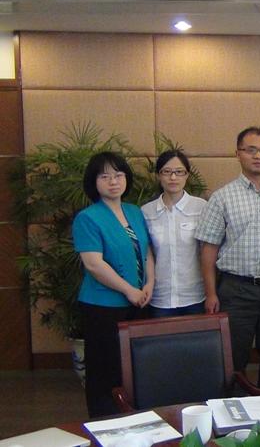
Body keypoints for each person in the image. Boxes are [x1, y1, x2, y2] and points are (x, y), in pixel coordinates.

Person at [194, 126, 260, 393]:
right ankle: (233, 415)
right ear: (238, 153)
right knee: (232, 361)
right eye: (251, 150)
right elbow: (208, 249)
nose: (258, 156)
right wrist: (211, 293)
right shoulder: (222, 197)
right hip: (235, 291)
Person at [72, 151, 154, 417]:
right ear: (93, 182)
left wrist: (150, 283)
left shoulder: (134, 212)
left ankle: (135, 422)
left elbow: (146, 250)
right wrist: (128, 290)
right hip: (103, 306)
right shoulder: (88, 217)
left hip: (139, 302)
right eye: (104, 177)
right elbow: (94, 264)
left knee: (136, 369)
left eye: (118, 175)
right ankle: (104, 423)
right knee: (105, 372)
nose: (113, 182)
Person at [141, 150, 207, 317]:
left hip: (195, 296)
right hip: (160, 297)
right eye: (167, 172)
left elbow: (208, 252)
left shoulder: (201, 208)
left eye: (179, 172)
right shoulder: (146, 212)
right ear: (158, 175)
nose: (173, 177)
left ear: (187, 175)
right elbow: (147, 254)